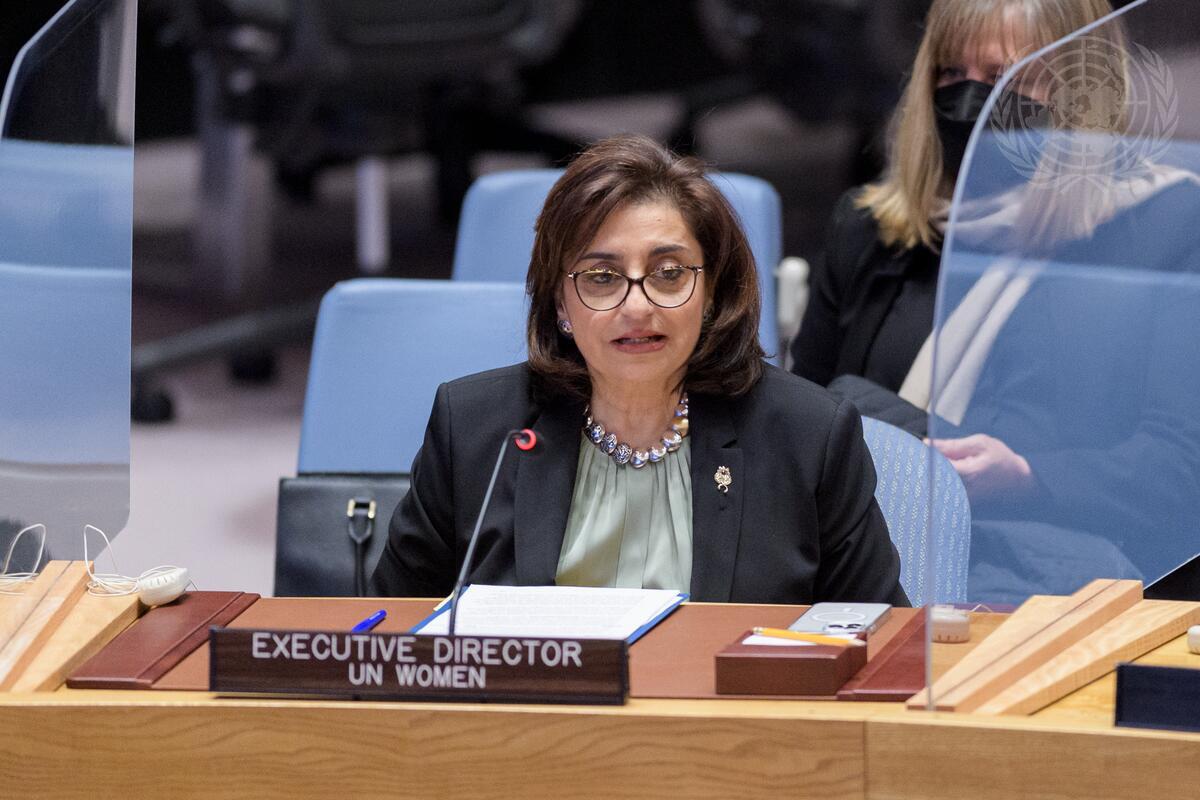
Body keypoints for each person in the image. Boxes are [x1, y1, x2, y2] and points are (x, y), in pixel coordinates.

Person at [371, 134, 907, 606]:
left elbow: (880, 645)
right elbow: (385, 638)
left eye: (668, 273)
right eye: (601, 277)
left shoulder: (808, 435)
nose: (637, 306)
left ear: (711, 290)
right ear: (560, 302)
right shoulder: (474, 429)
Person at [789, 0, 1114, 420]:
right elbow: (802, 417)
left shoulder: (1130, 251)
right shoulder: (866, 229)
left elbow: (1171, 454)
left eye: (1002, 78)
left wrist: (1024, 472)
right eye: (952, 73)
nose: (967, 102)